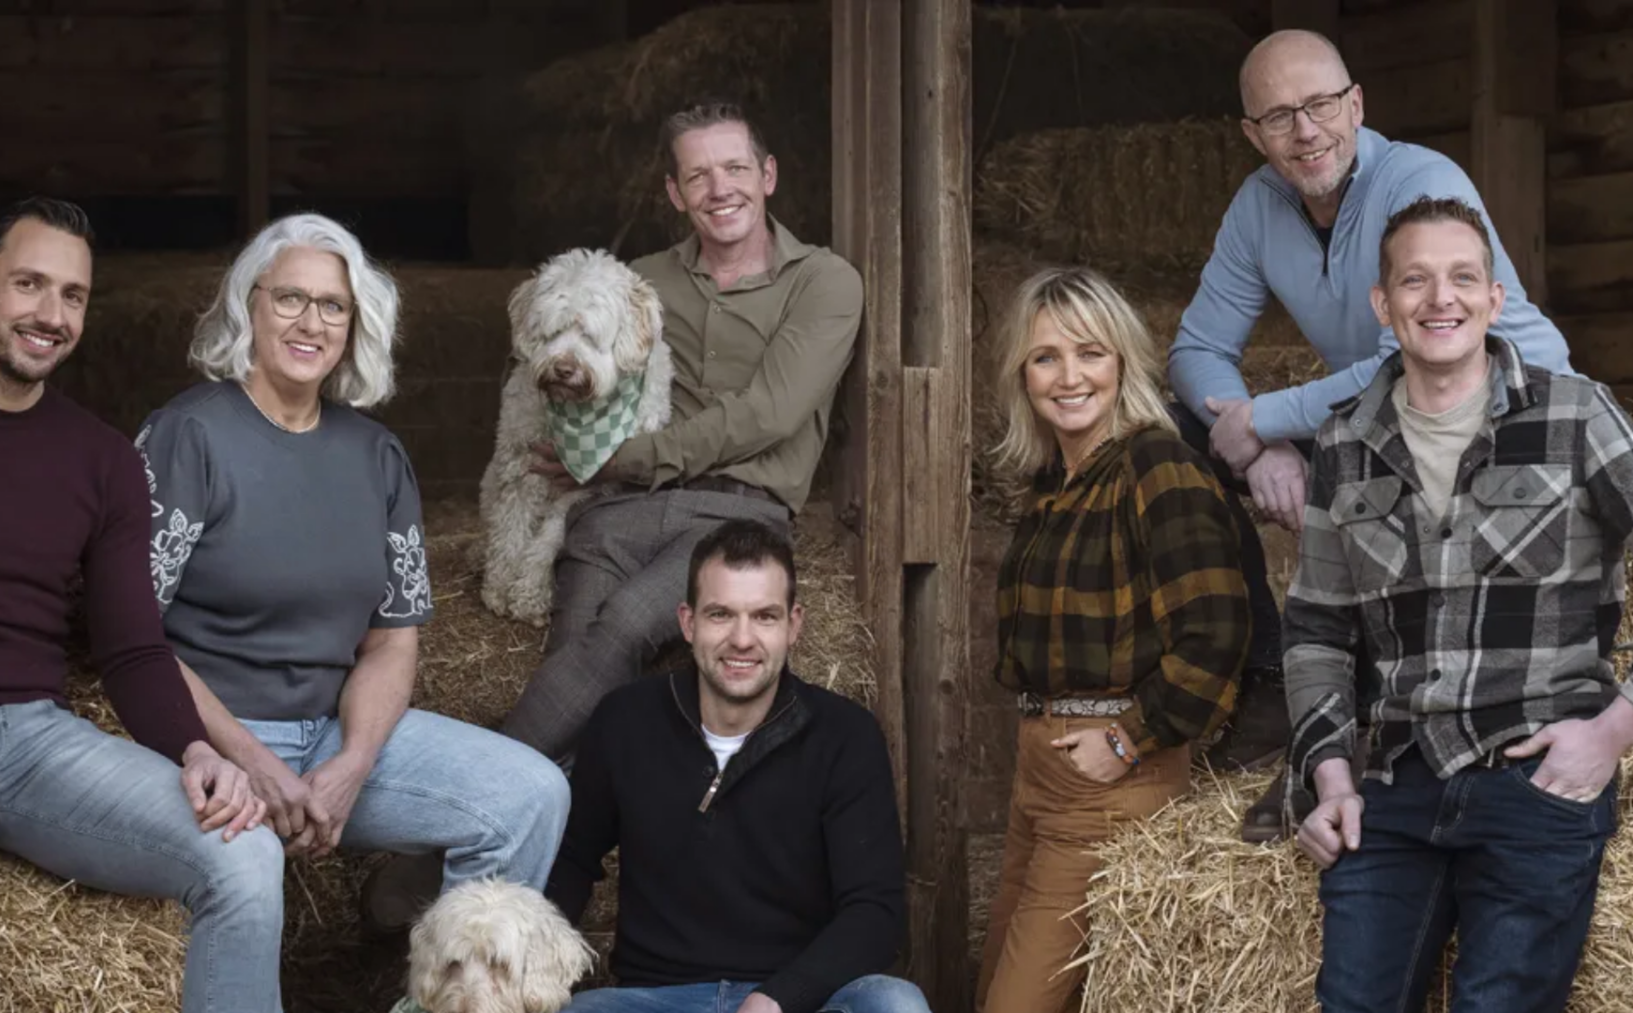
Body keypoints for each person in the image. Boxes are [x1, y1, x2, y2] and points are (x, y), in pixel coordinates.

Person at [0, 197, 283, 1013]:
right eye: (29, 284)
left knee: (247, 852)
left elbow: (132, 648)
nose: (50, 314)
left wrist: (194, 750)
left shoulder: (104, 460)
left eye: (72, 295)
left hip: (39, 741)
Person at [1167, 29, 1574, 839]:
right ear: (1252, 134)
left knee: (1393, 448)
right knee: (1179, 427)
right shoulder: (1258, 205)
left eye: (1320, 105)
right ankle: (1270, 680)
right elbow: (1195, 351)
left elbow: (1412, 356)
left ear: (1356, 104)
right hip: (1371, 412)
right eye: (1279, 116)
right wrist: (1263, 445)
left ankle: (1374, 735)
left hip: (1495, 402)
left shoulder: (1418, 180)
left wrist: (1272, 418)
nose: (1305, 130)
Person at [136, 212, 570, 935]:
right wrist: (248, 760)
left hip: (335, 737)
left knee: (531, 794)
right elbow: (135, 638)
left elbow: (392, 640)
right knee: (243, 887)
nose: (312, 321)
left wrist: (355, 763)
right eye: (290, 299)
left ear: (355, 323)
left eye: (333, 304)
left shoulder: (377, 455)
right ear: (251, 305)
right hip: (215, 740)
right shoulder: (188, 435)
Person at [1285, 196, 1633, 1012]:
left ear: (1493, 298)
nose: (1440, 298)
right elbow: (1315, 627)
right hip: (1396, 782)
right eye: (1415, 280)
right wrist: (1330, 776)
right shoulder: (1343, 442)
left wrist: (1612, 732)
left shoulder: (1576, 413)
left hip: (1538, 774)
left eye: (1462, 278)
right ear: (1383, 304)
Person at [500, 100, 863, 763]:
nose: (720, 188)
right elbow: (566, 360)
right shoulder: (640, 282)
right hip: (618, 511)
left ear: (768, 174)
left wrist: (620, 458)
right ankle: (552, 859)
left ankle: (464, 807)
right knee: (570, 653)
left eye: (735, 167)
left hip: (736, 514)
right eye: (698, 176)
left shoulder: (823, 281)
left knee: (625, 626)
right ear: (675, 191)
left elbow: (770, 413)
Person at [976, 266, 1250, 1013]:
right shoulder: (1052, 486)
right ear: (1021, 374)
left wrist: (1129, 739)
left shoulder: (1156, 466)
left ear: (1123, 360)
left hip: (1111, 774)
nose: (1069, 376)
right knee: (994, 982)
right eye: (1045, 357)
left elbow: (1217, 630)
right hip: (1041, 771)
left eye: (1090, 353)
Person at [546, 518, 929, 1013]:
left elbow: (875, 912)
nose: (742, 640)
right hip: (656, 999)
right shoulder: (624, 721)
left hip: (800, 998)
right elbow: (572, 860)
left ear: (794, 625)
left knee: (896, 1003)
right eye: (721, 614)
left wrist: (777, 999)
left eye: (764, 617)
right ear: (688, 623)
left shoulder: (845, 736)